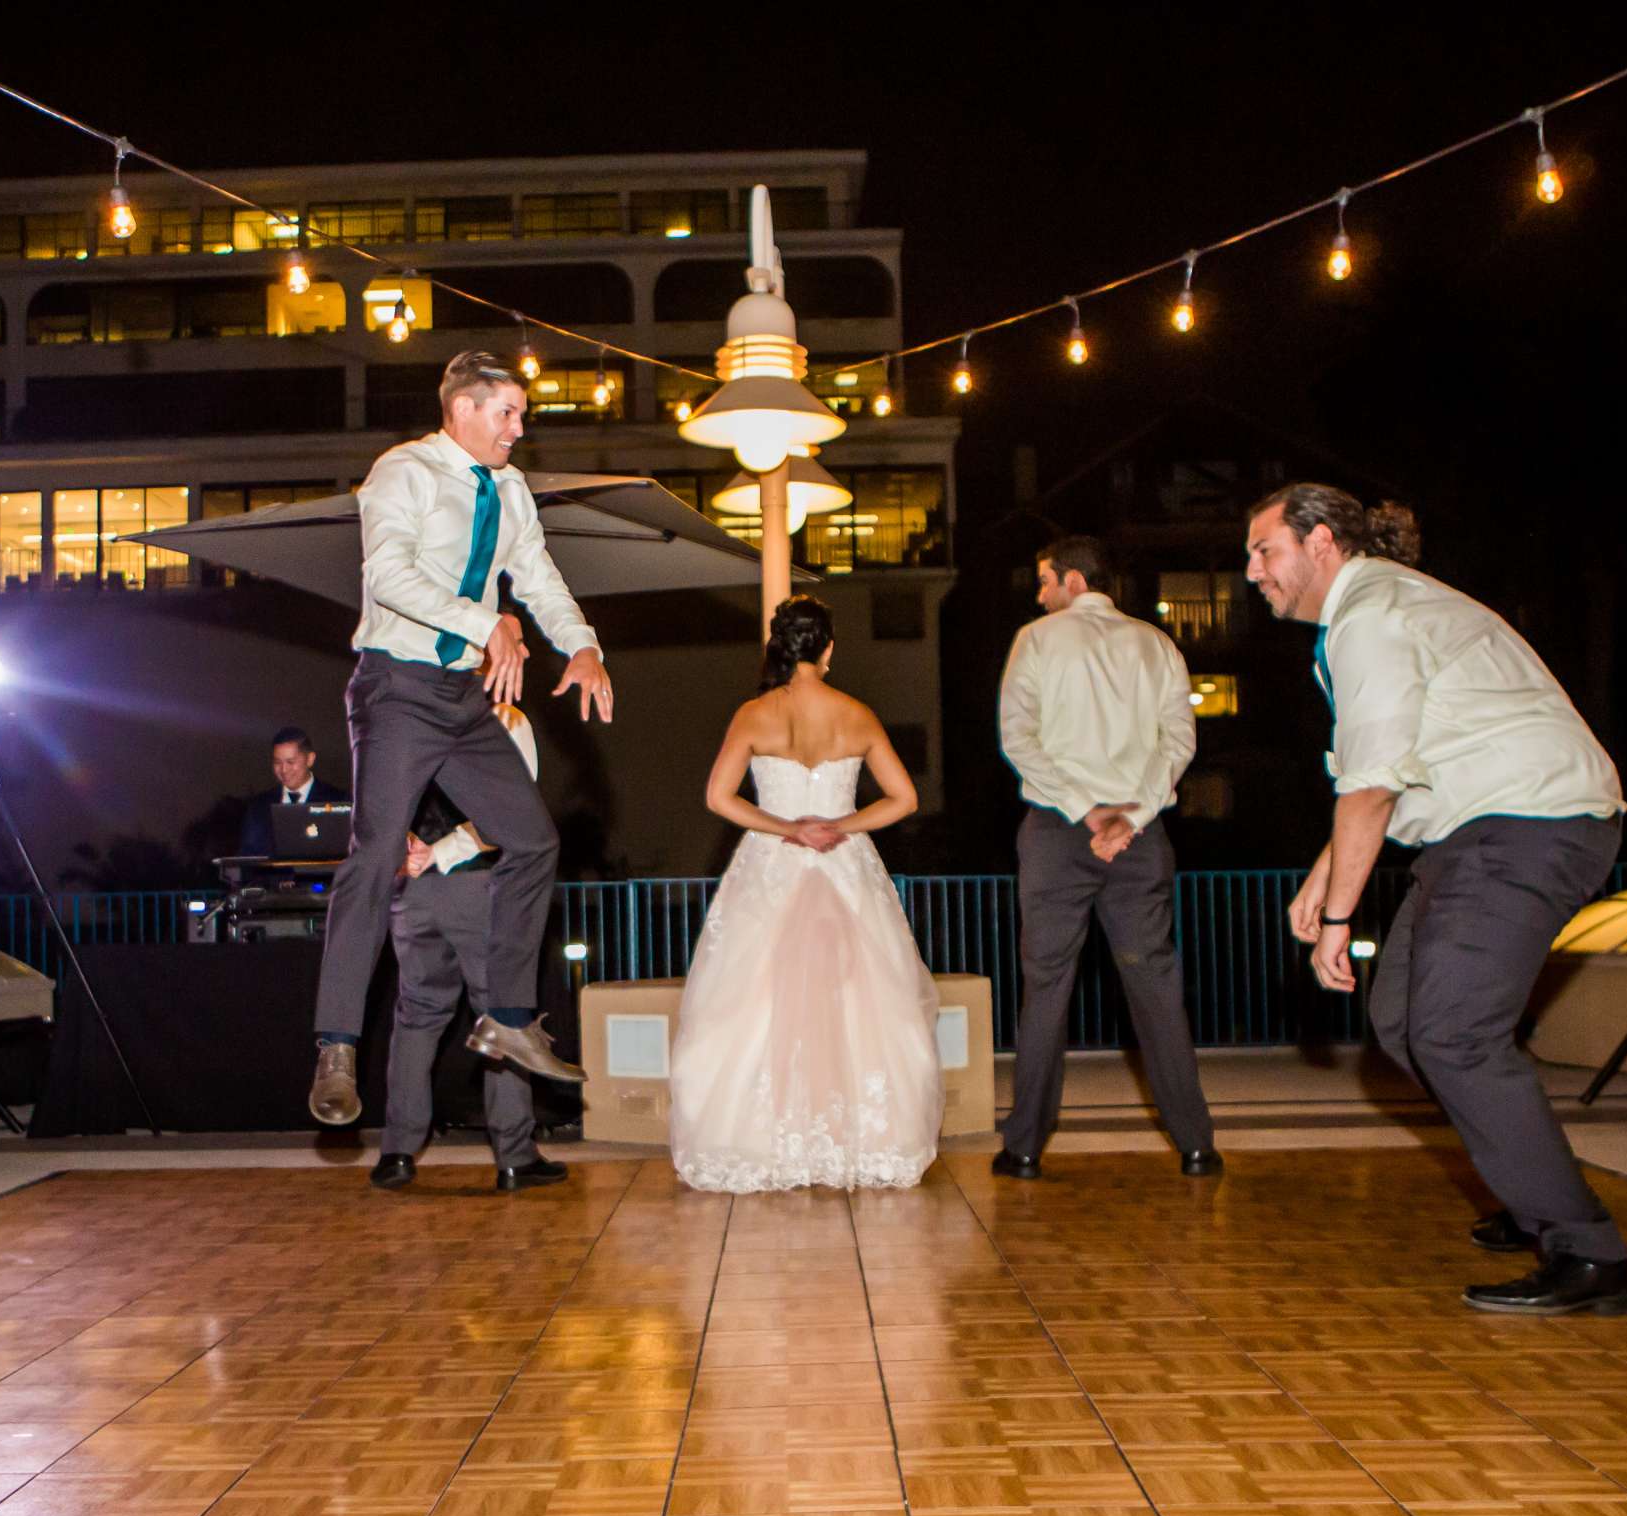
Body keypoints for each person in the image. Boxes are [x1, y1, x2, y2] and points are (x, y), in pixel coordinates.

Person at [1245, 483, 1627, 1315]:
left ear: (1320, 545)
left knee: (1453, 1030)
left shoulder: (1371, 616)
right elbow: (1382, 765)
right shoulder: (1381, 608)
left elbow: (1375, 783)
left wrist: (1340, 919)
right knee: (1402, 1019)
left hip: (1529, 823)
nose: (1252, 572)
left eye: (1263, 551)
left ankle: (1588, 1253)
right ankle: (1530, 1184)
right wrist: (1326, 874)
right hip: (1479, 831)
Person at [308, 350, 616, 1127]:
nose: (520, 428)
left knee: (534, 840)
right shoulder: (402, 473)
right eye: (508, 412)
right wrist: (490, 623)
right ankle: (337, 1047)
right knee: (377, 852)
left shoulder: (510, 491)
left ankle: (508, 1021)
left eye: (521, 413)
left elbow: (537, 576)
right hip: (400, 688)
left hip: (463, 699)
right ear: (464, 410)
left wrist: (582, 645)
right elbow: (390, 578)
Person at [669, 597, 946, 1192]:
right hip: (845, 864)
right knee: (862, 1003)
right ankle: (861, 1140)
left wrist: (788, 828)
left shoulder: (754, 714)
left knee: (753, 1001)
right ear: (827, 648)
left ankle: (762, 1141)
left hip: (772, 863)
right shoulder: (856, 713)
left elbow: (719, 798)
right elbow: (904, 799)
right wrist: (839, 825)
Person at [992, 535, 1218, 1181]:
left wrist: (1083, 808)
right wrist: (1131, 814)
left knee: (1046, 989)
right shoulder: (1157, 643)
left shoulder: (1037, 639)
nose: (1039, 594)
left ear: (1070, 579)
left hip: (1059, 833)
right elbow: (1178, 741)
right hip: (1139, 836)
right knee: (1156, 988)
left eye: (1043, 580)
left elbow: (1019, 738)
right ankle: (1197, 1146)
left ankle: (1026, 1148)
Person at [372, 705, 564, 1193]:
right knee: (503, 1018)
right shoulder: (503, 718)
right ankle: (515, 1157)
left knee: (416, 1016)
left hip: (411, 892)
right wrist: (440, 852)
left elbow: (379, 797)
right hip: (479, 890)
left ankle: (396, 1153)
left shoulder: (407, 715)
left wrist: (410, 847)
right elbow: (513, 813)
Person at [236, 725, 350, 856]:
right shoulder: (259, 806)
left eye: (290, 762)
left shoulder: (338, 800)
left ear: (310, 759)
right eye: (278, 762)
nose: (283, 770)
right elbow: (247, 859)